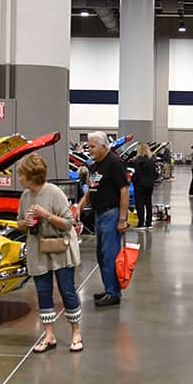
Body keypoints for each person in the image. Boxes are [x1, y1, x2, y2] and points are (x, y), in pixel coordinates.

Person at [17, 153, 83, 353]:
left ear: (30, 176)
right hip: (38, 250)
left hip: (60, 250)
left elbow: (69, 222)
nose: (18, 178)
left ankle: (76, 333)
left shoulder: (54, 193)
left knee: (67, 290)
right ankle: (49, 335)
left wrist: (46, 215)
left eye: (21, 175)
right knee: (43, 292)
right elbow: (19, 222)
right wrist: (25, 223)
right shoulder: (25, 196)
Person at [76, 131, 129, 307]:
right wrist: (79, 207)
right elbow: (92, 189)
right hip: (99, 215)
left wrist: (122, 219)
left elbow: (123, 190)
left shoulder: (114, 163)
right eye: (88, 146)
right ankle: (109, 289)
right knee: (101, 255)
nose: (89, 149)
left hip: (111, 215)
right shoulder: (94, 166)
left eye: (92, 146)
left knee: (109, 256)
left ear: (104, 146)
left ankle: (113, 293)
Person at [132, 143, 156, 229]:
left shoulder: (138, 161)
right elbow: (155, 174)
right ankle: (149, 223)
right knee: (148, 203)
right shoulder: (151, 160)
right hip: (150, 184)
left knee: (140, 204)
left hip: (140, 184)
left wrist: (132, 180)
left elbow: (137, 174)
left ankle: (141, 223)